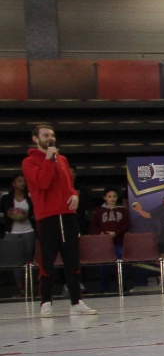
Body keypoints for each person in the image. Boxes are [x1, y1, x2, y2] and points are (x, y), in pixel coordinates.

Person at [21, 123, 96, 317]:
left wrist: (75, 195)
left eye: (52, 135)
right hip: (47, 217)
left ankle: (76, 301)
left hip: (68, 215)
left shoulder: (62, 159)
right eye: (45, 135)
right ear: (35, 139)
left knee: (73, 260)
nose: (50, 138)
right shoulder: (29, 162)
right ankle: (46, 302)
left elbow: (68, 184)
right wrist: (48, 159)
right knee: (47, 261)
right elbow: (43, 182)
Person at [88, 189, 131, 294]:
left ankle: (123, 287)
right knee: (104, 265)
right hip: (104, 243)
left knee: (121, 263)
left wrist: (116, 233)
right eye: (109, 196)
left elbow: (126, 225)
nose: (112, 199)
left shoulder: (122, 210)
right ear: (105, 198)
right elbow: (93, 225)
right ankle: (104, 288)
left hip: (119, 242)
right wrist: (102, 233)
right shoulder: (99, 211)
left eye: (114, 196)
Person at [1, 174, 35, 298]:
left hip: (28, 230)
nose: (22, 183)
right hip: (13, 231)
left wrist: (26, 215)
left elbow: (34, 212)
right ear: (13, 183)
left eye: (24, 181)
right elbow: (4, 212)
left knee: (28, 260)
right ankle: (20, 290)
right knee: (15, 261)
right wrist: (10, 214)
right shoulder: (6, 198)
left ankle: (30, 288)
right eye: (19, 181)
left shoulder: (30, 197)